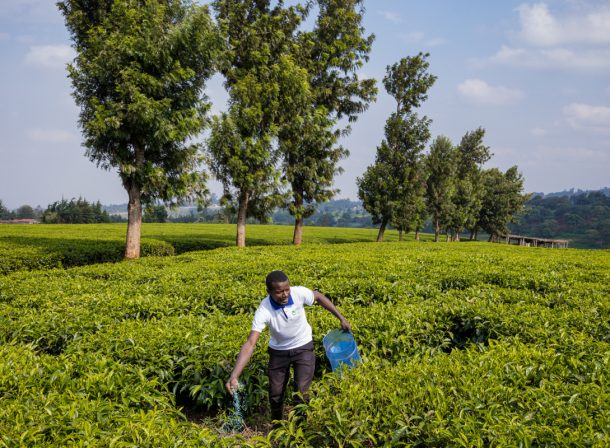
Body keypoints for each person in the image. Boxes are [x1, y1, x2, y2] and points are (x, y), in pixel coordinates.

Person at [225, 270, 352, 422]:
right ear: (269, 292)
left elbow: (317, 296)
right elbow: (251, 343)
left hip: (303, 347)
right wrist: (234, 375)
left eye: (287, 289)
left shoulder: (298, 293)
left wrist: (341, 318)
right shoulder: (264, 309)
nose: (285, 294)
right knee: (275, 395)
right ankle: (277, 426)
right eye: (279, 292)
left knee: (301, 394)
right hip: (278, 353)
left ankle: (299, 430)